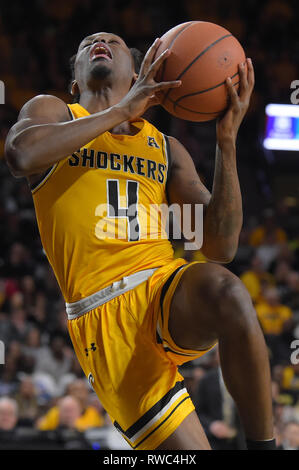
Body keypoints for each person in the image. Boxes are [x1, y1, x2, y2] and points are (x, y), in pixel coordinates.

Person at [5, 32, 275, 450]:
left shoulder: (166, 148)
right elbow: (21, 155)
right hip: (103, 318)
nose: (99, 41)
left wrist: (226, 142)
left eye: (112, 40)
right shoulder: (54, 111)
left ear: (137, 73)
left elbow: (221, 246)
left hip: (164, 290)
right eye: (88, 43)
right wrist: (120, 111)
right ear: (74, 80)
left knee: (227, 290)